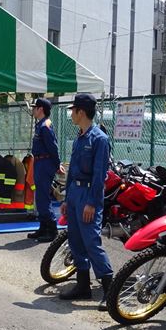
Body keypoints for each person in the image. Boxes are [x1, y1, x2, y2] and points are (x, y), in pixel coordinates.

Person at [59, 93, 114, 311]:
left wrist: (92, 203)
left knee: (91, 241)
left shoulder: (99, 139)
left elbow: (100, 175)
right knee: (75, 239)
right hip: (75, 192)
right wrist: (66, 198)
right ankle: (83, 285)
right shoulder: (80, 137)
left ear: (81, 112)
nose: (71, 114)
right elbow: (72, 170)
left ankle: (110, 290)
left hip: (89, 193)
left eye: (73, 110)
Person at [27, 98, 62, 242]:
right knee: (40, 197)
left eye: (34, 107)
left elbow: (53, 147)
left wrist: (57, 164)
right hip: (39, 162)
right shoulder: (40, 125)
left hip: (45, 163)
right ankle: (43, 227)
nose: (33, 110)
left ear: (40, 109)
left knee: (43, 197)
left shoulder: (45, 125)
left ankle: (51, 229)